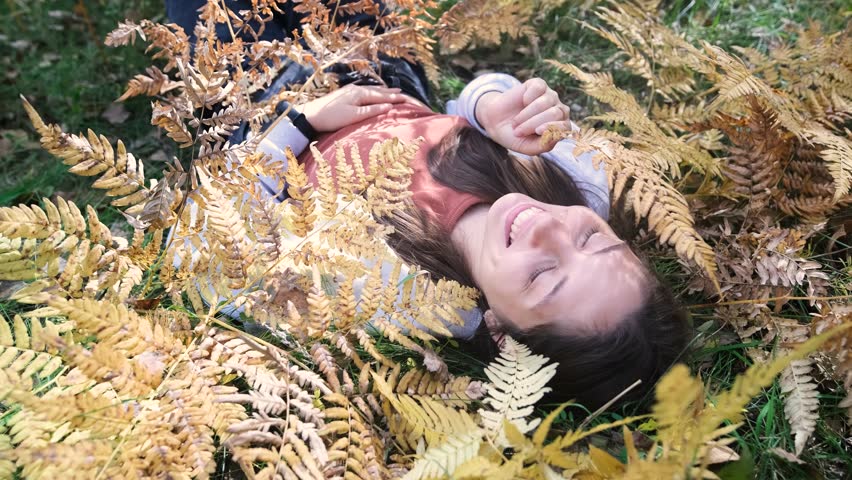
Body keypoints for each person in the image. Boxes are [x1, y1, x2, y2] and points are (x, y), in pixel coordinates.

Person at [167, 0, 691, 409]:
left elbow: (197, 259)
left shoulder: (393, 293)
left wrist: (299, 124)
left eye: (542, 275)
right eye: (592, 238)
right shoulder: (578, 180)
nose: (548, 230)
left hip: (253, 104)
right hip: (378, 65)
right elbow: (482, 94)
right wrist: (491, 109)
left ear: (501, 335)